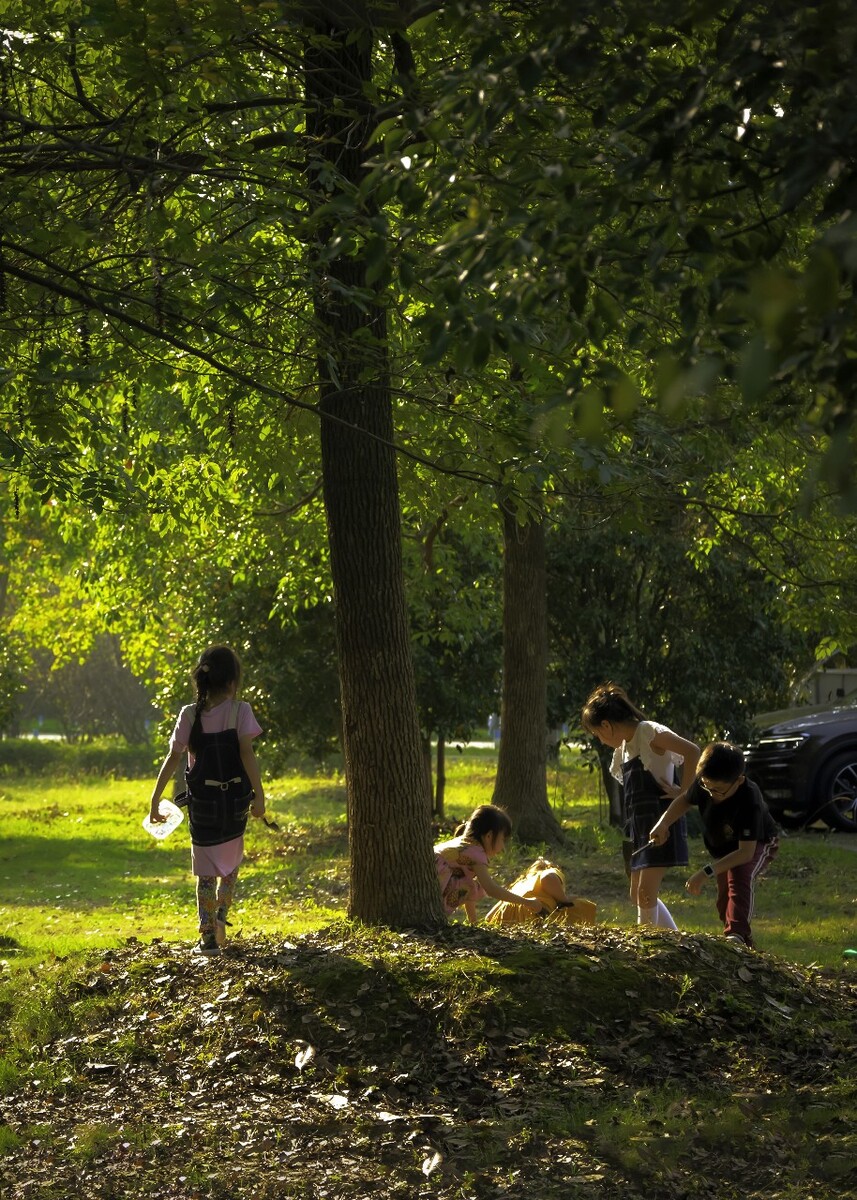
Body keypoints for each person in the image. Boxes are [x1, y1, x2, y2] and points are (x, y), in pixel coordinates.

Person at [148, 645, 266, 956]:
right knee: (230, 868)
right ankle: (222, 919)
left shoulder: (189, 714)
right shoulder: (241, 711)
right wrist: (261, 797)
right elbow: (247, 755)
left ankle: (207, 936)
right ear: (232, 681)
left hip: (202, 809)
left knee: (205, 875)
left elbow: (174, 758)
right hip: (234, 806)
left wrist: (155, 798)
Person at [582, 682, 699, 931]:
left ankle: (643, 949)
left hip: (662, 823)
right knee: (638, 893)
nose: (601, 741)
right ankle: (674, 939)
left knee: (646, 892)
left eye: (598, 735)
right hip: (640, 829)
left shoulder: (648, 732)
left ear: (606, 725)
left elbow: (692, 751)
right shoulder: (623, 749)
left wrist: (685, 794)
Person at [649, 741, 778, 948]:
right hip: (725, 848)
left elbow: (745, 853)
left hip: (759, 843)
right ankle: (743, 941)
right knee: (724, 898)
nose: (711, 795)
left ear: (739, 781)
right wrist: (663, 823)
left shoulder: (749, 800)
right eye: (707, 787)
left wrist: (705, 872)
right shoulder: (705, 784)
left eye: (719, 791)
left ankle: (736, 934)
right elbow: (684, 800)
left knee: (739, 875)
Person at [434, 804, 543, 924]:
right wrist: (527, 902)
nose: (503, 847)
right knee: (474, 885)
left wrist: (473, 923)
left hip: (432, 875)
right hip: (436, 880)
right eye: (503, 840)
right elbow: (491, 889)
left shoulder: (464, 843)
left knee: (472, 884)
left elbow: (469, 886)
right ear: (489, 836)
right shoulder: (477, 853)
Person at [485, 857, 597, 927]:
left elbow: (489, 917)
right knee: (580, 903)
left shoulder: (521, 882)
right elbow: (547, 878)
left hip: (503, 917)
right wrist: (564, 899)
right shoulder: (549, 870)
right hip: (533, 912)